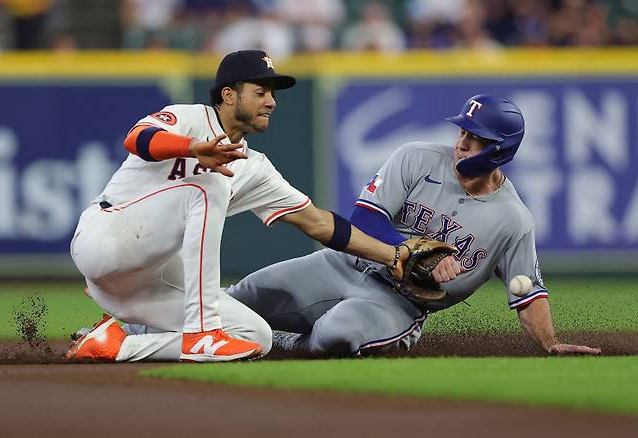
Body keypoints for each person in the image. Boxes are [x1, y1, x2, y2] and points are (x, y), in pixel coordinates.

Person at [65, 50, 427, 363]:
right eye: (260, 92)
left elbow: (318, 223)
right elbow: (138, 138)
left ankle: (118, 344)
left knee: (254, 337)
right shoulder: (188, 118)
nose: (271, 101)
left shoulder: (255, 167)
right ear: (228, 95)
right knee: (209, 184)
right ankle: (202, 332)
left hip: (141, 282)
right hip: (106, 238)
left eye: (272, 93)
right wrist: (192, 148)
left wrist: (393, 255)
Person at [227, 94, 602, 356]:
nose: (463, 143)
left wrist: (549, 341)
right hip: (342, 264)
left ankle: (285, 344)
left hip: (397, 303)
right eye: (463, 132)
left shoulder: (513, 220)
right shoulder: (416, 158)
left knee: (335, 336)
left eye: (476, 139)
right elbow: (365, 218)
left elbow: (528, 292)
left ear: (501, 150)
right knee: (236, 300)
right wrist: (422, 255)